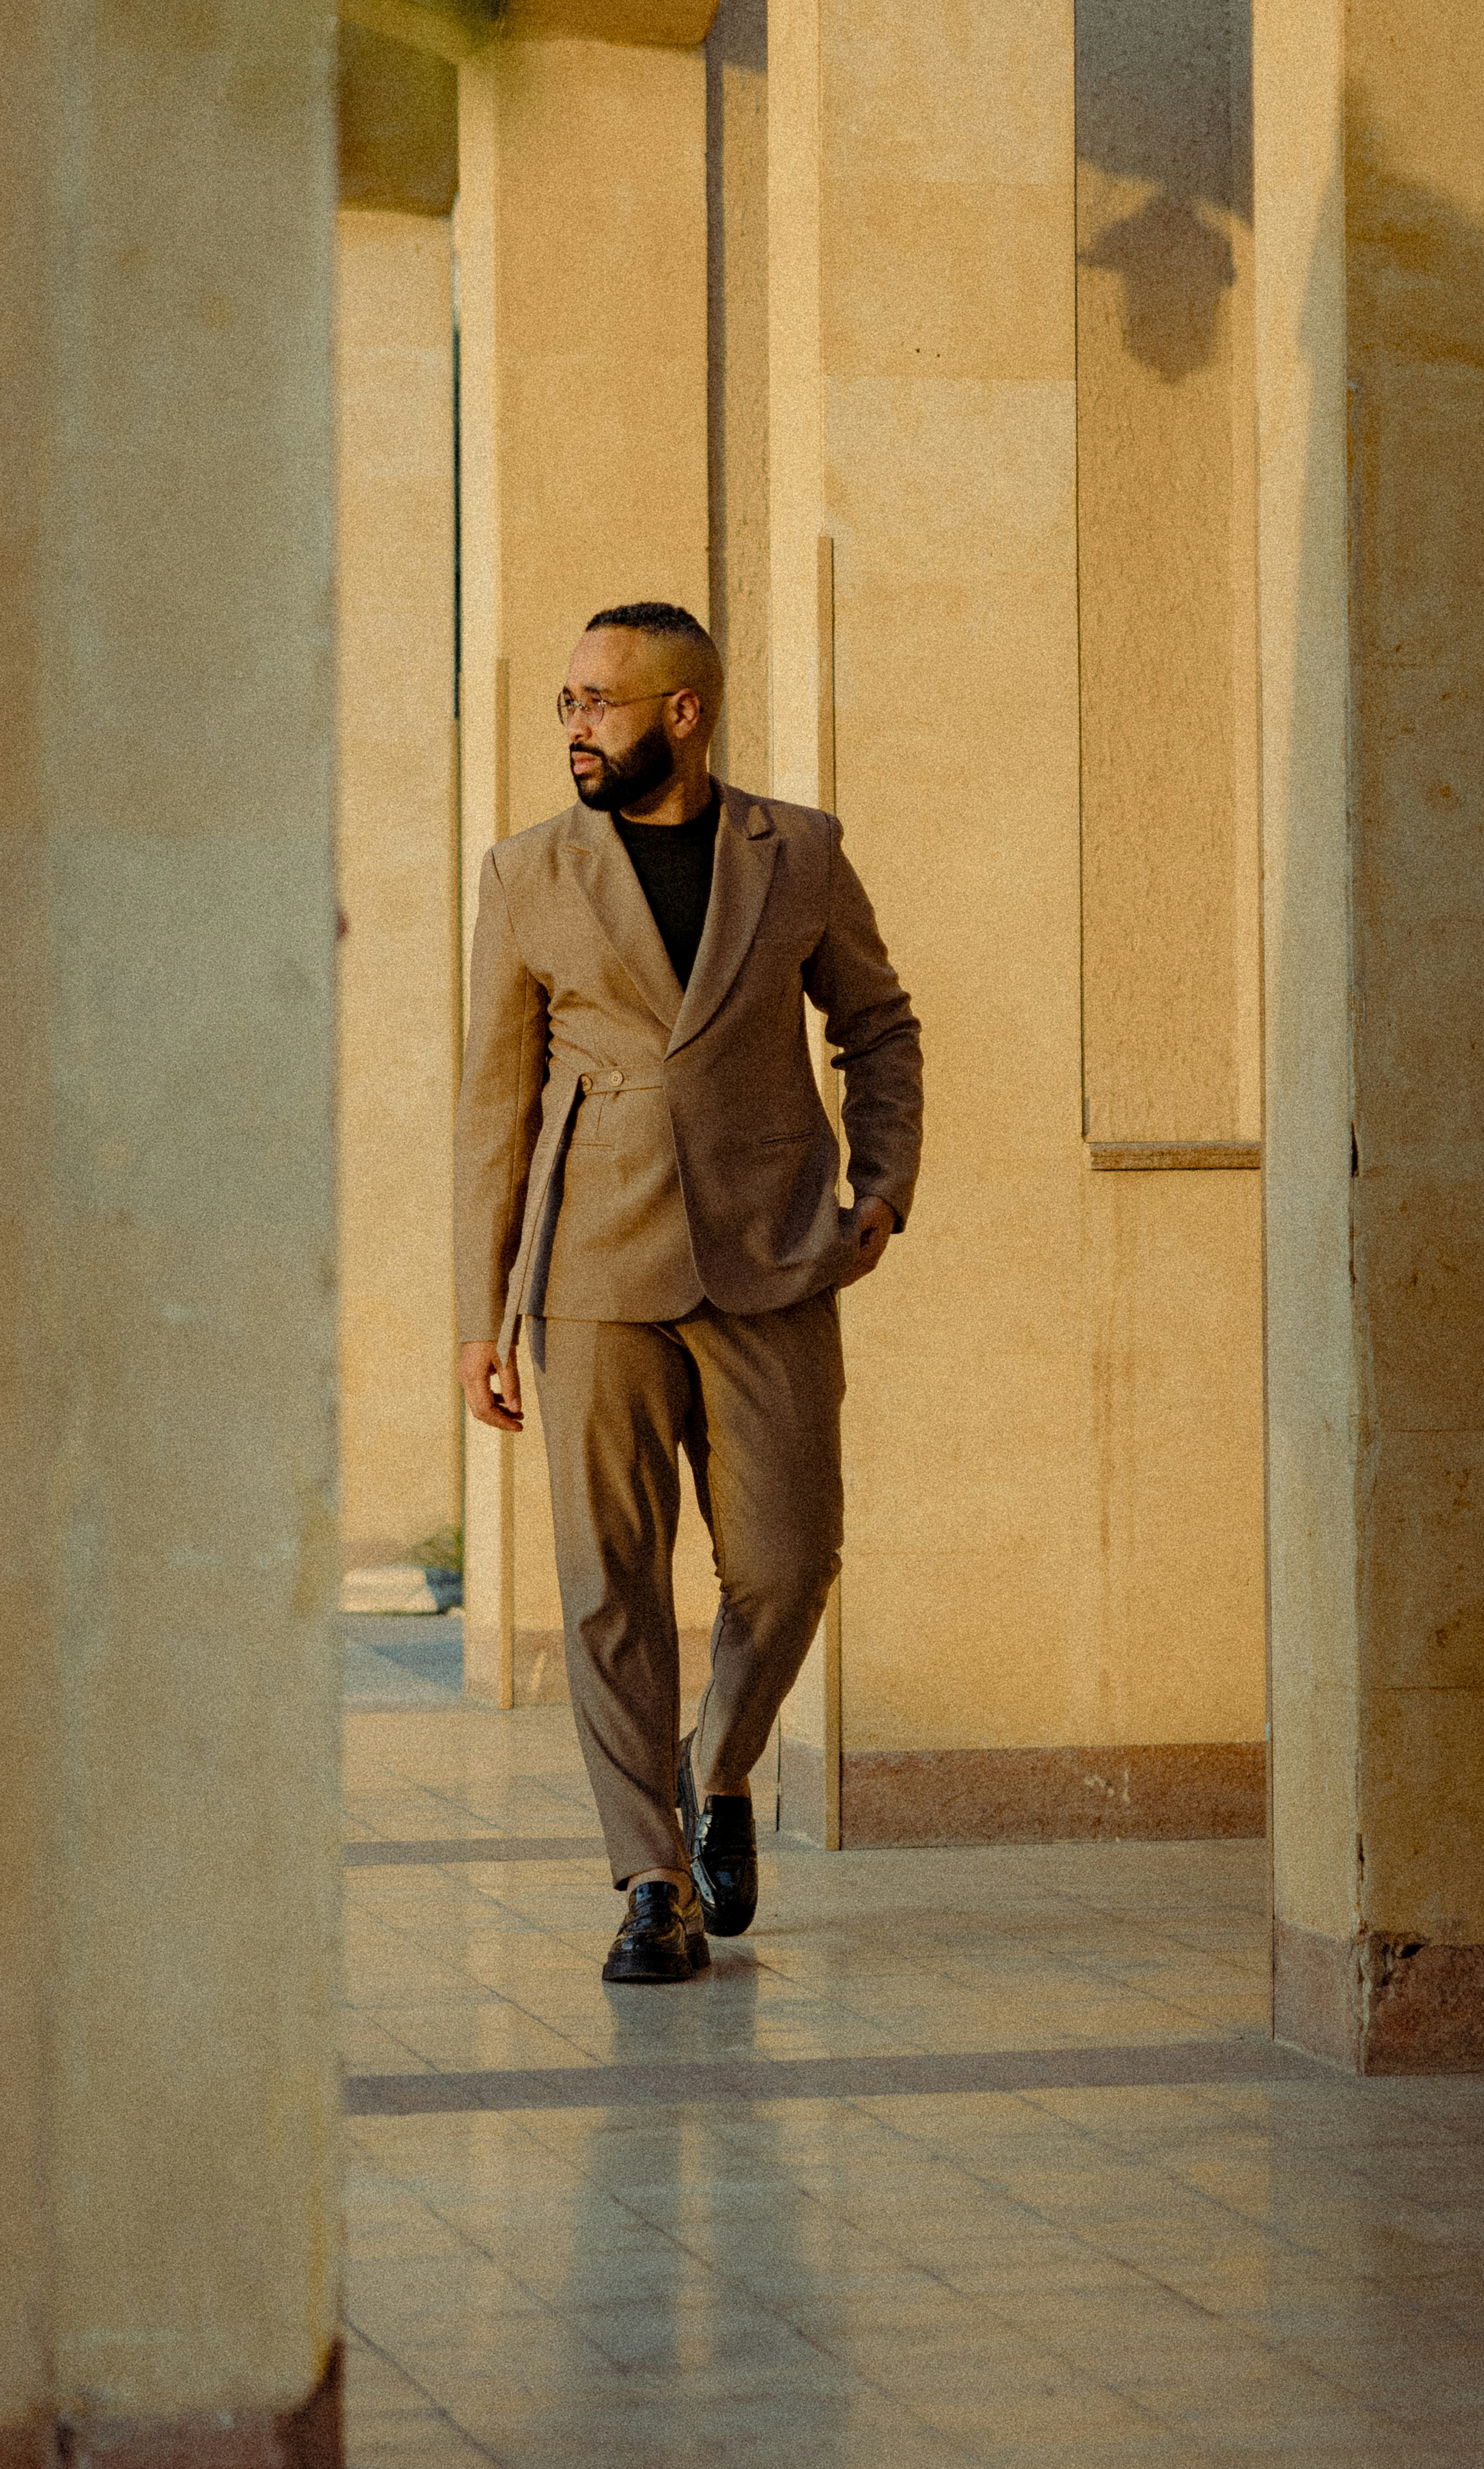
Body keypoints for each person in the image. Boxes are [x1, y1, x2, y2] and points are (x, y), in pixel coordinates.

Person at [454, 599, 922, 1983]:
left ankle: (716, 1763)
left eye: (599, 701)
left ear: (685, 711)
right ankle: (651, 1882)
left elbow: (877, 1021)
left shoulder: (799, 852)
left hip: (771, 1252)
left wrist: (883, 1182)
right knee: (610, 1586)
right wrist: (480, 1316)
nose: (575, 725)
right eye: (567, 701)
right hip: (591, 1264)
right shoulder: (526, 872)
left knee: (788, 1561)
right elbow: (494, 1104)